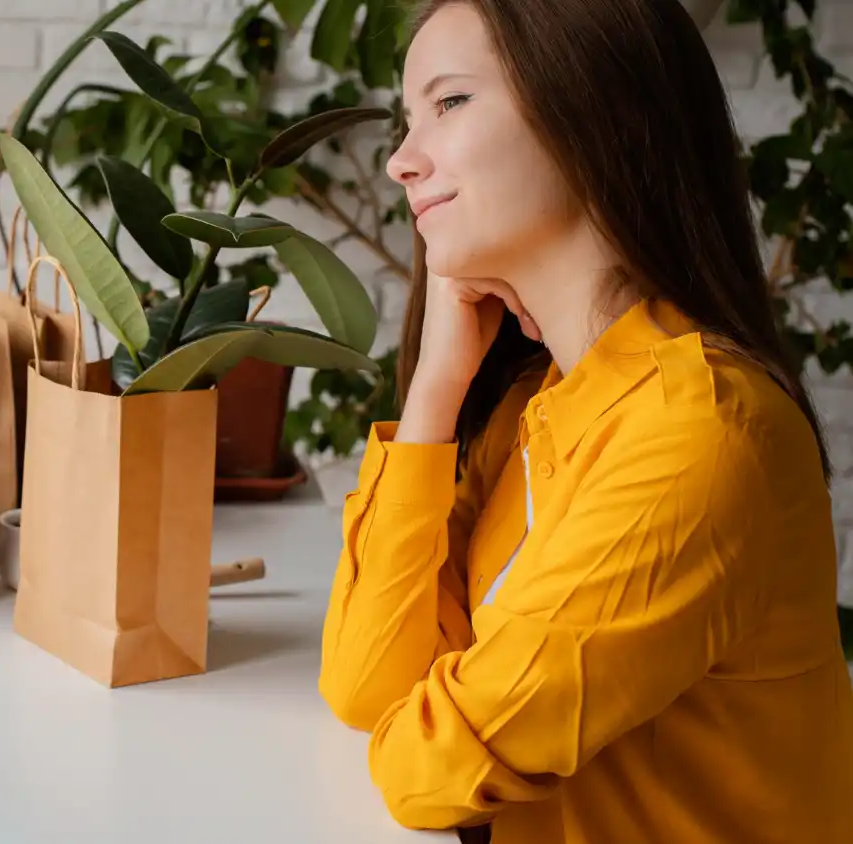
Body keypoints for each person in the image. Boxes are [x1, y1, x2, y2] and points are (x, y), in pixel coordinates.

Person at [317, 2, 853, 842]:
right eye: (406, 120)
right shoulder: (540, 404)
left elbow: (427, 772)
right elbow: (364, 686)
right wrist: (433, 391)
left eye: (449, 103)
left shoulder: (698, 436)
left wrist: (440, 699)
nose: (400, 161)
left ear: (596, 110)